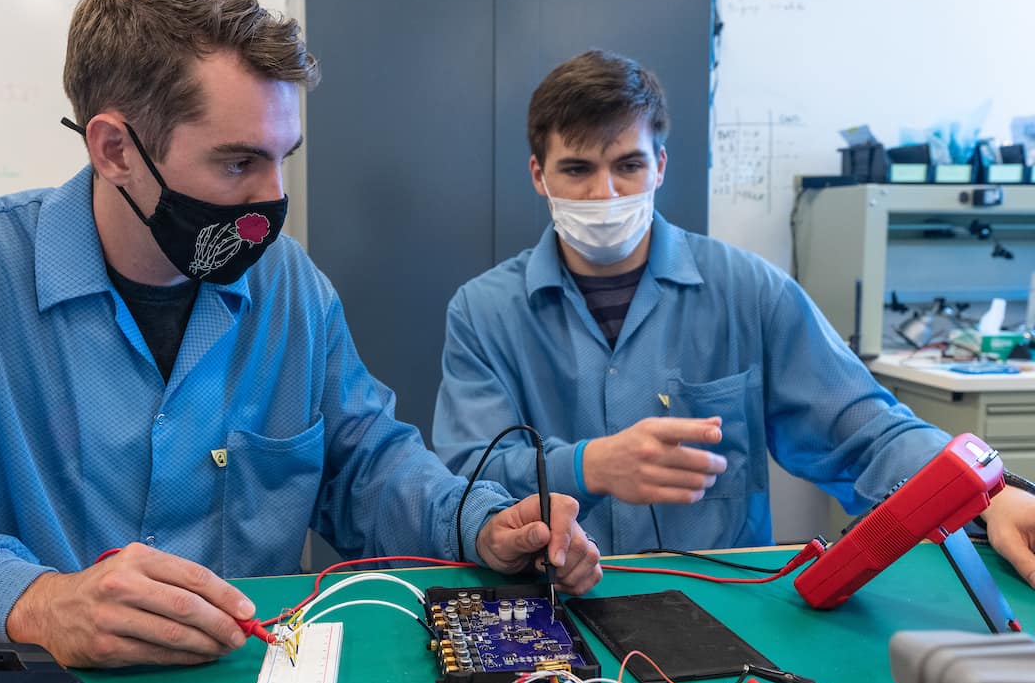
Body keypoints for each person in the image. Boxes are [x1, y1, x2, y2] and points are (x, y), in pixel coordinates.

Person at [0, 0, 601, 668]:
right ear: (113, 149)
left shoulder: (290, 289)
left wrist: (483, 524)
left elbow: (369, 464)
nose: (270, 202)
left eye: (283, 157)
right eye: (238, 163)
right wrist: (34, 602)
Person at [433, 49, 1035, 586]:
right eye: (577, 169)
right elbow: (466, 480)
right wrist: (588, 466)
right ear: (539, 174)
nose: (605, 194)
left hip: (723, 609)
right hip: (548, 605)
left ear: (660, 167)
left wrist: (986, 494)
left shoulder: (749, 291)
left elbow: (865, 430)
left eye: (628, 165)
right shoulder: (484, 312)